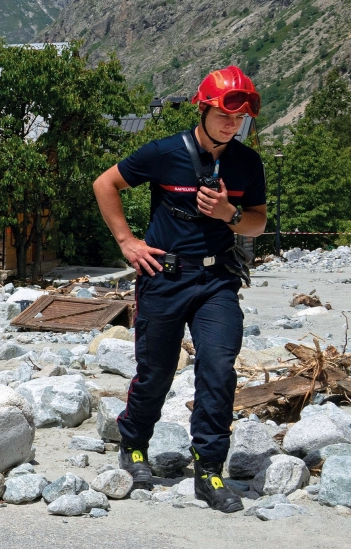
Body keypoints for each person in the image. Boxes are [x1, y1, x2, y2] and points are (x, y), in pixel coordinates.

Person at [90, 66, 270, 513]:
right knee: (156, 372)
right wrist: (127, 242)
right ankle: (134, 444)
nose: (231, 124)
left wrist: (229, 214)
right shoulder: (165, 152)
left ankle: (209, 469)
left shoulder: (247, 162)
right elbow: (105, 183)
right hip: (164, 278)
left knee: (219, 368)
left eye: (239, 118)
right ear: (203, 109)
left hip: (218, 281)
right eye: (224, 115)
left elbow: (258, 222)